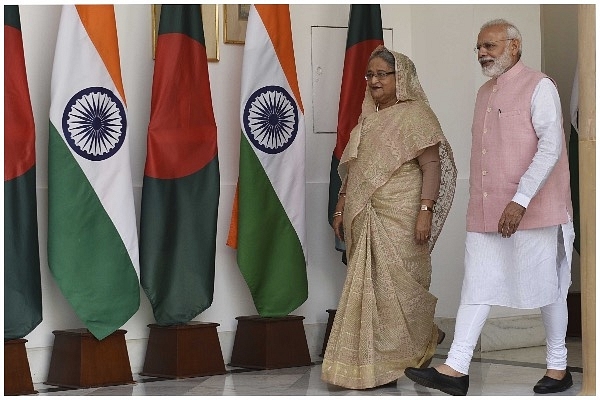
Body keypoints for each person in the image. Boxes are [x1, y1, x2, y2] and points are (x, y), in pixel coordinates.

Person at [404, 19, 575, 396]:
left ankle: (559, 369)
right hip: (486, 211)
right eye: (479, 48)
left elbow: (551, 147)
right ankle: (456, 369)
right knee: (476, 285)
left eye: (490, 46)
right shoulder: (484, 92)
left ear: (514, 47)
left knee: (548, 288)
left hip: (534, 208)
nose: (482, 54)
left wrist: (520, 200)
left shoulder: (540, 85)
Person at [321, 45, 457, 390]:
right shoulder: (369, 117)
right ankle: (377, 360)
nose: (374, 80)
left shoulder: (416, 116)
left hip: (404, 212)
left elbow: (431, 166)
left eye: (383, 74)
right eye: (370, 75)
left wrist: (425, 211)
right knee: (372, 288)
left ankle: (412, 346)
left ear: (403, 78)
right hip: (365, 212)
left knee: (401, 284)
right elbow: (356, 168)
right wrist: (340, 207)